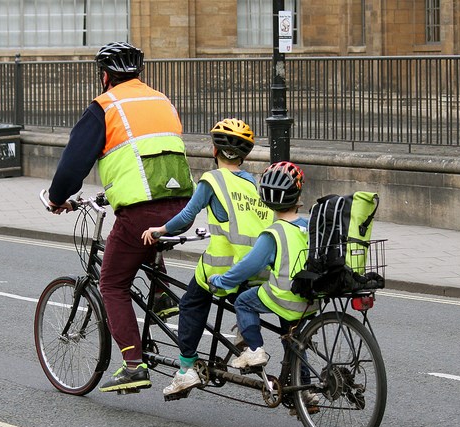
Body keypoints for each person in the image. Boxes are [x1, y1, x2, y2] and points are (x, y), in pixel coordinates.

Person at [47, 42, 194, 393]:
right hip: (182, 205)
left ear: (105, 75)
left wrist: (57, 198)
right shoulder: (162, 100)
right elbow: (147, 155)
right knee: (144, 243)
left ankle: (132, 364)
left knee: (112, 284)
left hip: (142, 210)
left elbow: (74, 163)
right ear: (138, 73)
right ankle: (160, 296)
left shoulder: (106, 106)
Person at [142, 118, 274, 398]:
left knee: (192, 303)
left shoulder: (212, 180)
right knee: (243, 297)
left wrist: (160, 230)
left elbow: (187, 216)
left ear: (215, 151)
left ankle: (186, 368)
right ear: (244, 155)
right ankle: (243, 337)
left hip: (223, 264)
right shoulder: (251, 182)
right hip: (255, 263)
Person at [209, 161, 318, 370]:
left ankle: (255, 349)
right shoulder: (307, 226)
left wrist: (221, 280)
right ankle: (304, 392)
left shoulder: (274, 233)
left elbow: (247, 267)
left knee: (243, 302)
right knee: (294, 341)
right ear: (298, 195)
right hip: (307, 299)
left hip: (284, 297)